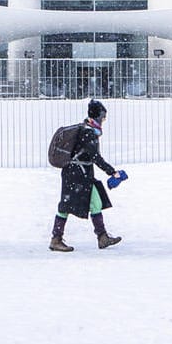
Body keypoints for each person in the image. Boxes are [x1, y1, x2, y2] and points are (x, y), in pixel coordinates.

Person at [50, 99, 124, 252]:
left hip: (81, 174)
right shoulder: (88, 133)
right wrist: (112, 172)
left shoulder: (88, 130)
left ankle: (102, 237)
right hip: (75, 175)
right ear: (97, 117)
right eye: (103, 117)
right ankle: (56, 239)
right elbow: (95, 157)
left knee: (95, 202)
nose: (104, 120)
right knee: (65, 205)